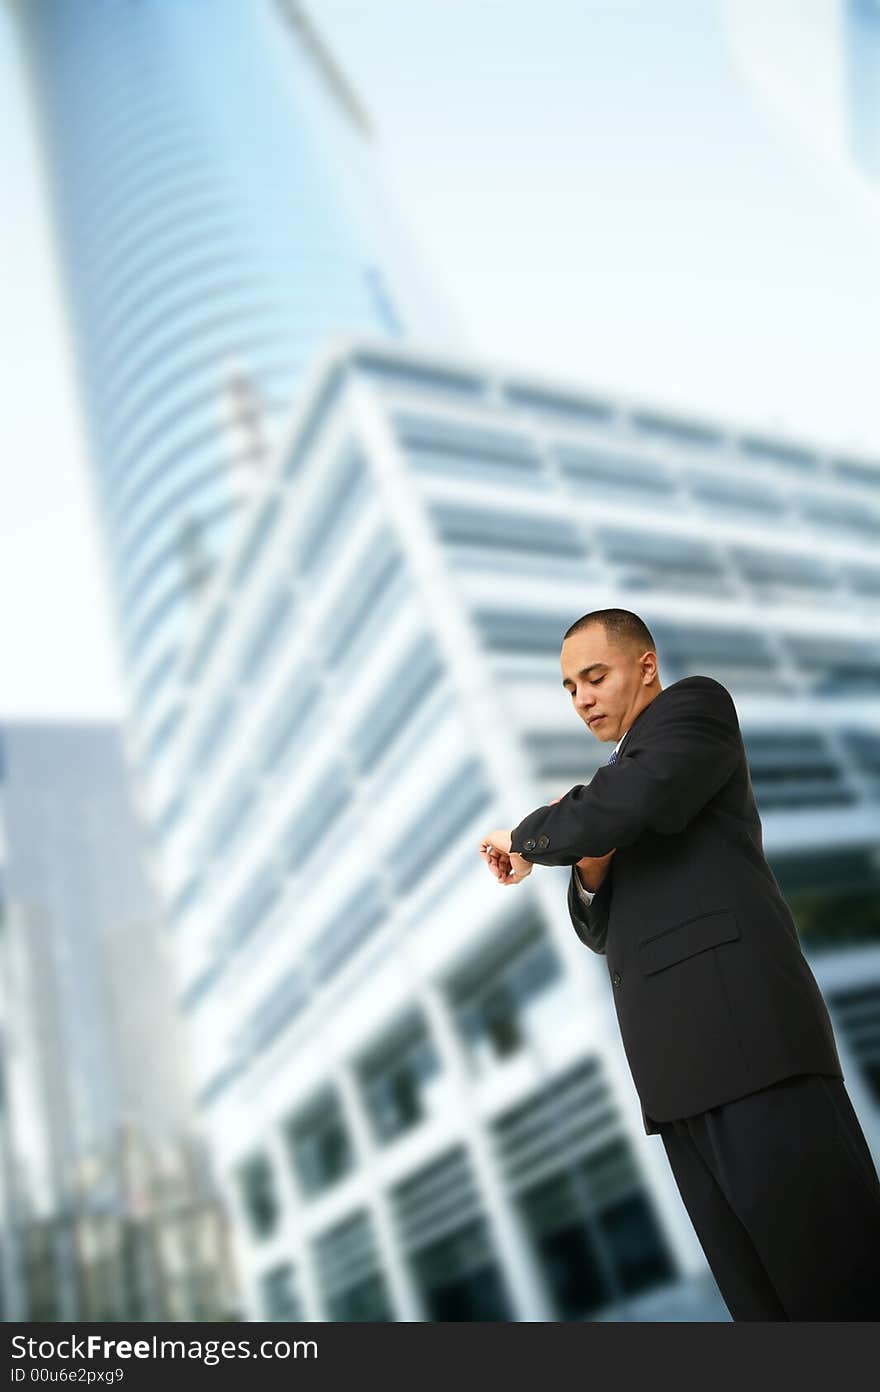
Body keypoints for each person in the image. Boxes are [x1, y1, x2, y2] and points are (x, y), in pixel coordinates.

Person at [478, 607, 880, 1321]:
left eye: (595, 677)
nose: (582, 700)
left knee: (840, 1285)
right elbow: (599, 926)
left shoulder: (692, 712)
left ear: (645, 665)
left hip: (756, 1055)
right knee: (765, 1307)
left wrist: (530, 834)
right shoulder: (617, 792)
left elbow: (622, 803)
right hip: (678, 1086)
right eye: (570, 688)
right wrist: (589, 861)